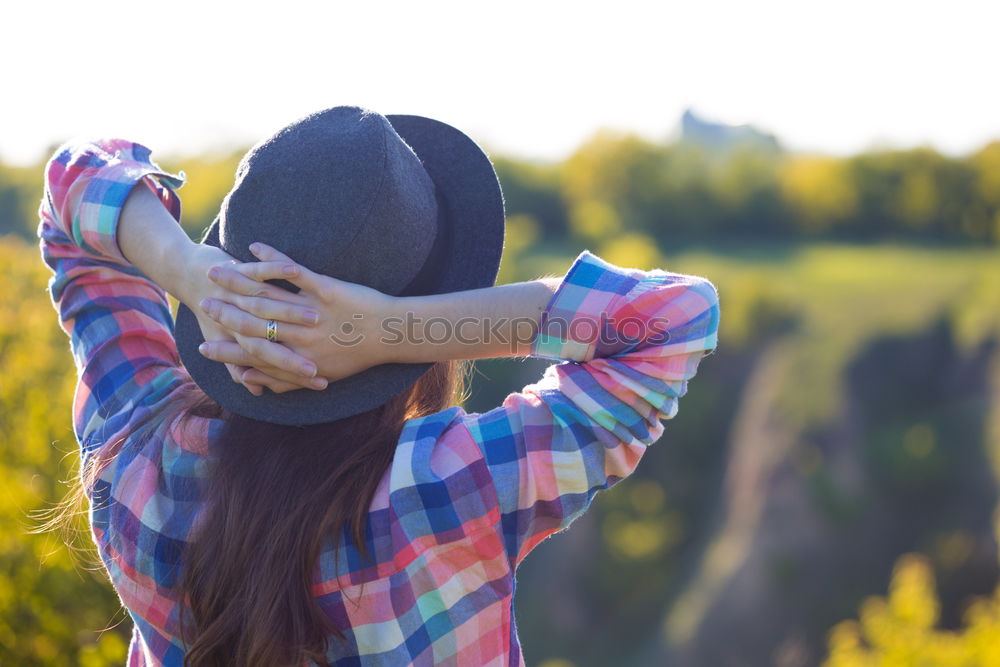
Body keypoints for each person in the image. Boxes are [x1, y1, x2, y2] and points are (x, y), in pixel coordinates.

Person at [37, 106, 720, 666]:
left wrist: (193, 274)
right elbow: (671, 319)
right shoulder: (450, 485)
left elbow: (75, 188)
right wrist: (388, 330)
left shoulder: (135, 441)